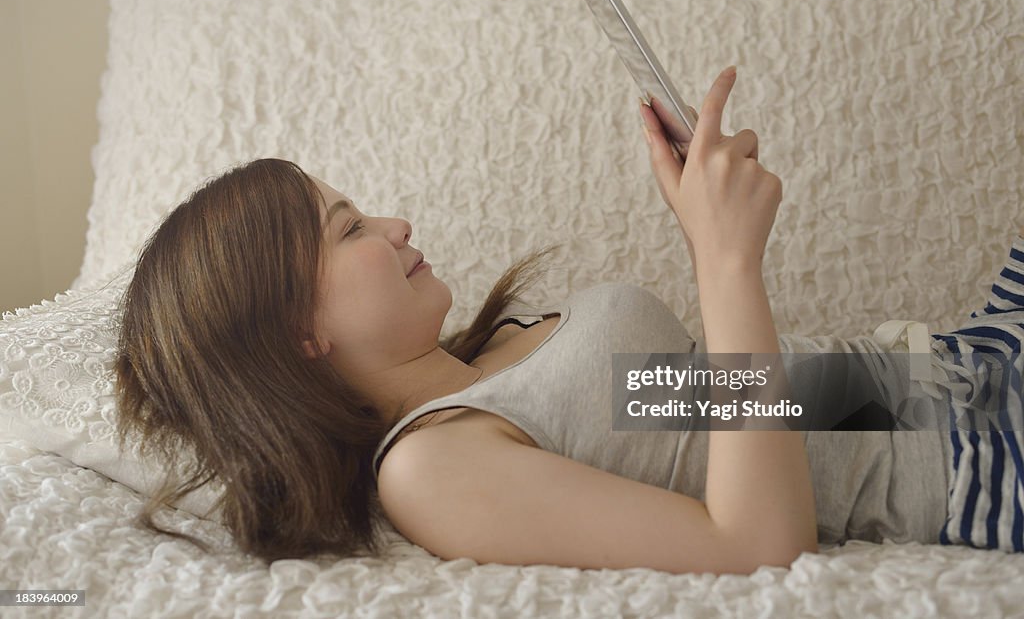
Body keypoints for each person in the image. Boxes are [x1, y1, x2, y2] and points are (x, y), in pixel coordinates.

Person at [114, 66, 1024, 574]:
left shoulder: (497, 365)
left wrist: (705, 225)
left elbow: (737, 404)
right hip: (972, 461)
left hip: (956, 366)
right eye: (350, 228)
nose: (396, 226)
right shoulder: (431, 466)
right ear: (296, 336)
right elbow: (753, 544)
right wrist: (725, 258)